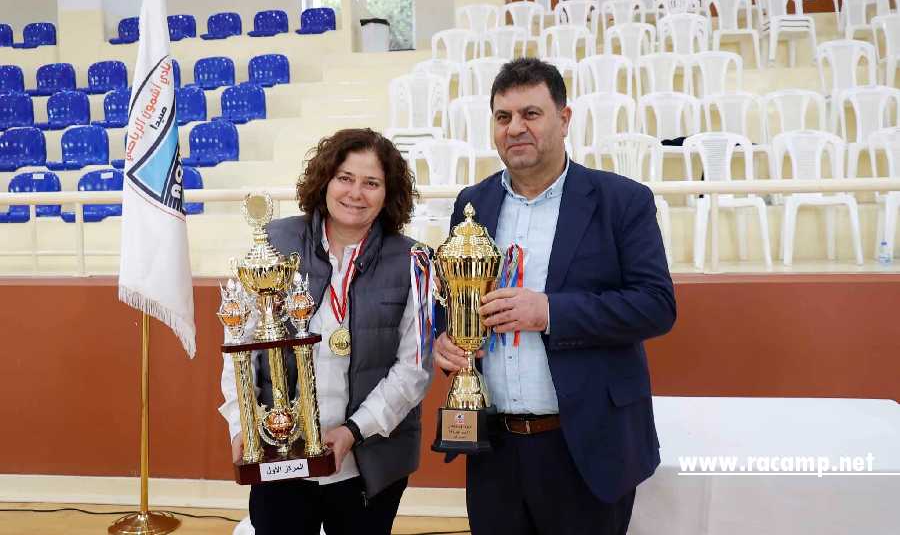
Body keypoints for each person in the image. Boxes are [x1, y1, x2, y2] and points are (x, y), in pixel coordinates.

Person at [433, 58, 676, 535]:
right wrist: (449, 338)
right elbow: (458, 297)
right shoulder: (472, 204)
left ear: (564, 120)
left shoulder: (622, 200)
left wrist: (549, 312)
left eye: (531, 114)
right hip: (494, 449)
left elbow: (655, 305)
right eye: (503, 117)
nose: (515, 128)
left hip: (584, 447)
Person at [219, 128, 433, 535]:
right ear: (325, 180)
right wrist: (242, 424)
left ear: (389, 193)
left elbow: (414, 369)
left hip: (369, 463)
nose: (356, 193)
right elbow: (239, 345)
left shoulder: (414, 261)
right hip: (280, 456)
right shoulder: (274, 243)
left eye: (371, 183)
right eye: (345, 178)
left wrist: (354, 431)